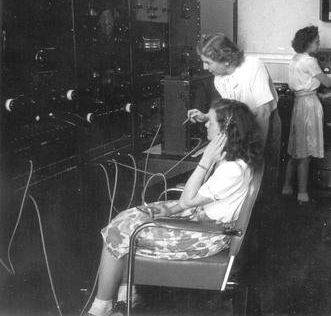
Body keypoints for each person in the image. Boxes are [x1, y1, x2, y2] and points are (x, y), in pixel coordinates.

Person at [86, 99, 262, 316]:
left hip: (206, 235)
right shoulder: (235, 159)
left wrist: (205, 160)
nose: (206, 125)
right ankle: (126, 296)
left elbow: (188, 200)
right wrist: (172, 209)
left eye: (211, 122)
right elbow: (195, 199)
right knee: (129, 216)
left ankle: (102, 307)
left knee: (116, 232)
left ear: (225, 132)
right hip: (203, 220)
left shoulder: (232, 170)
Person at [187, 33, 281, 189]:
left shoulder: (253, 66)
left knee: (263, 175)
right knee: (243, 177)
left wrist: (257, 152)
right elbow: (231, 112)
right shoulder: (219, 78)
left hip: (266, 122)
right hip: (244, 124)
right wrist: (207, 117)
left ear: (226, 59)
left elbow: (264, 113)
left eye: (208, 62)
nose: (205, 67)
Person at [281, 26, 331, 203]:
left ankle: (287, 187)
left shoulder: (295, 59)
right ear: (308, 43)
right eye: (316, 41)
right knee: (306, 151)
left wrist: (320, 94)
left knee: (295, 149)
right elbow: (328, 81)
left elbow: (303, 87)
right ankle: (302, 192)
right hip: (309, 107)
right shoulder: (310, 61)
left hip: (300, 103)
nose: (318, 44)